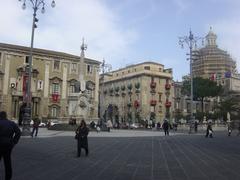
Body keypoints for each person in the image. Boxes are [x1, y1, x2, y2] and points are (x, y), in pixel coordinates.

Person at [0, 111, 21, 180]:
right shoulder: (12, 123)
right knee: (8, 162)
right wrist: (14, 142)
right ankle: (8, 178)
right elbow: (18, 133)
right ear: (6, 116)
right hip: (8, 145)